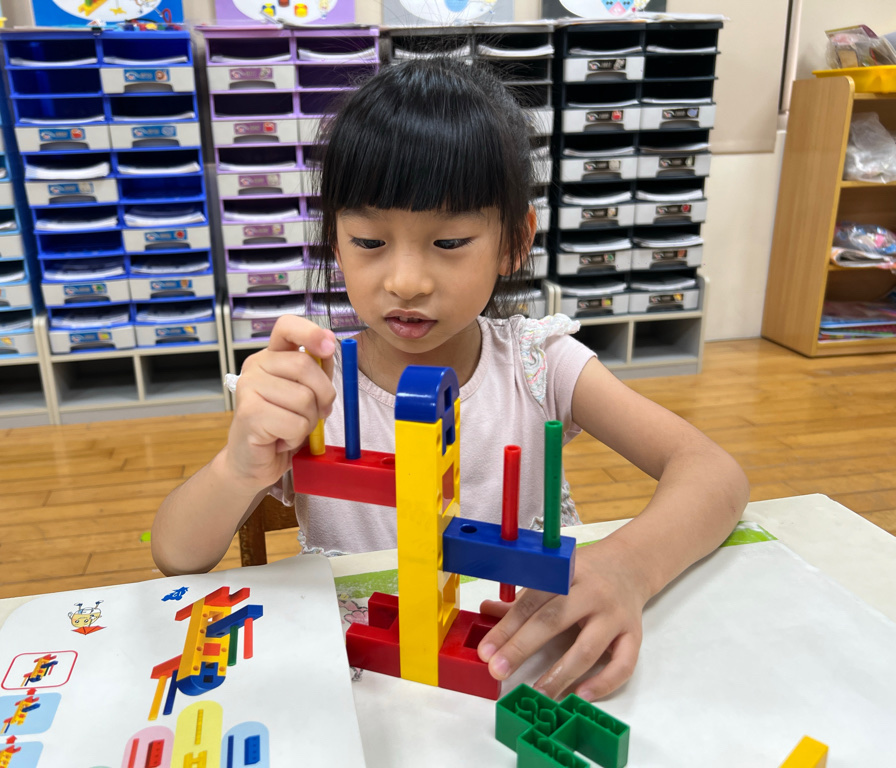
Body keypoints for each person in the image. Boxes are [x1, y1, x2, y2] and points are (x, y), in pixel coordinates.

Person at [152, 57, 749, 702]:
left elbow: (714, 473)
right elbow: (176, 556)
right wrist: (237, 468)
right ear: (335, 242)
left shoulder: (538, 365)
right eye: (369, 241)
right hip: (365, 684)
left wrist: (630, 566)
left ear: (514, 242)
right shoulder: (310, 389)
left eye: (450, 241)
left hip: (513, 663)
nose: (406, 281)